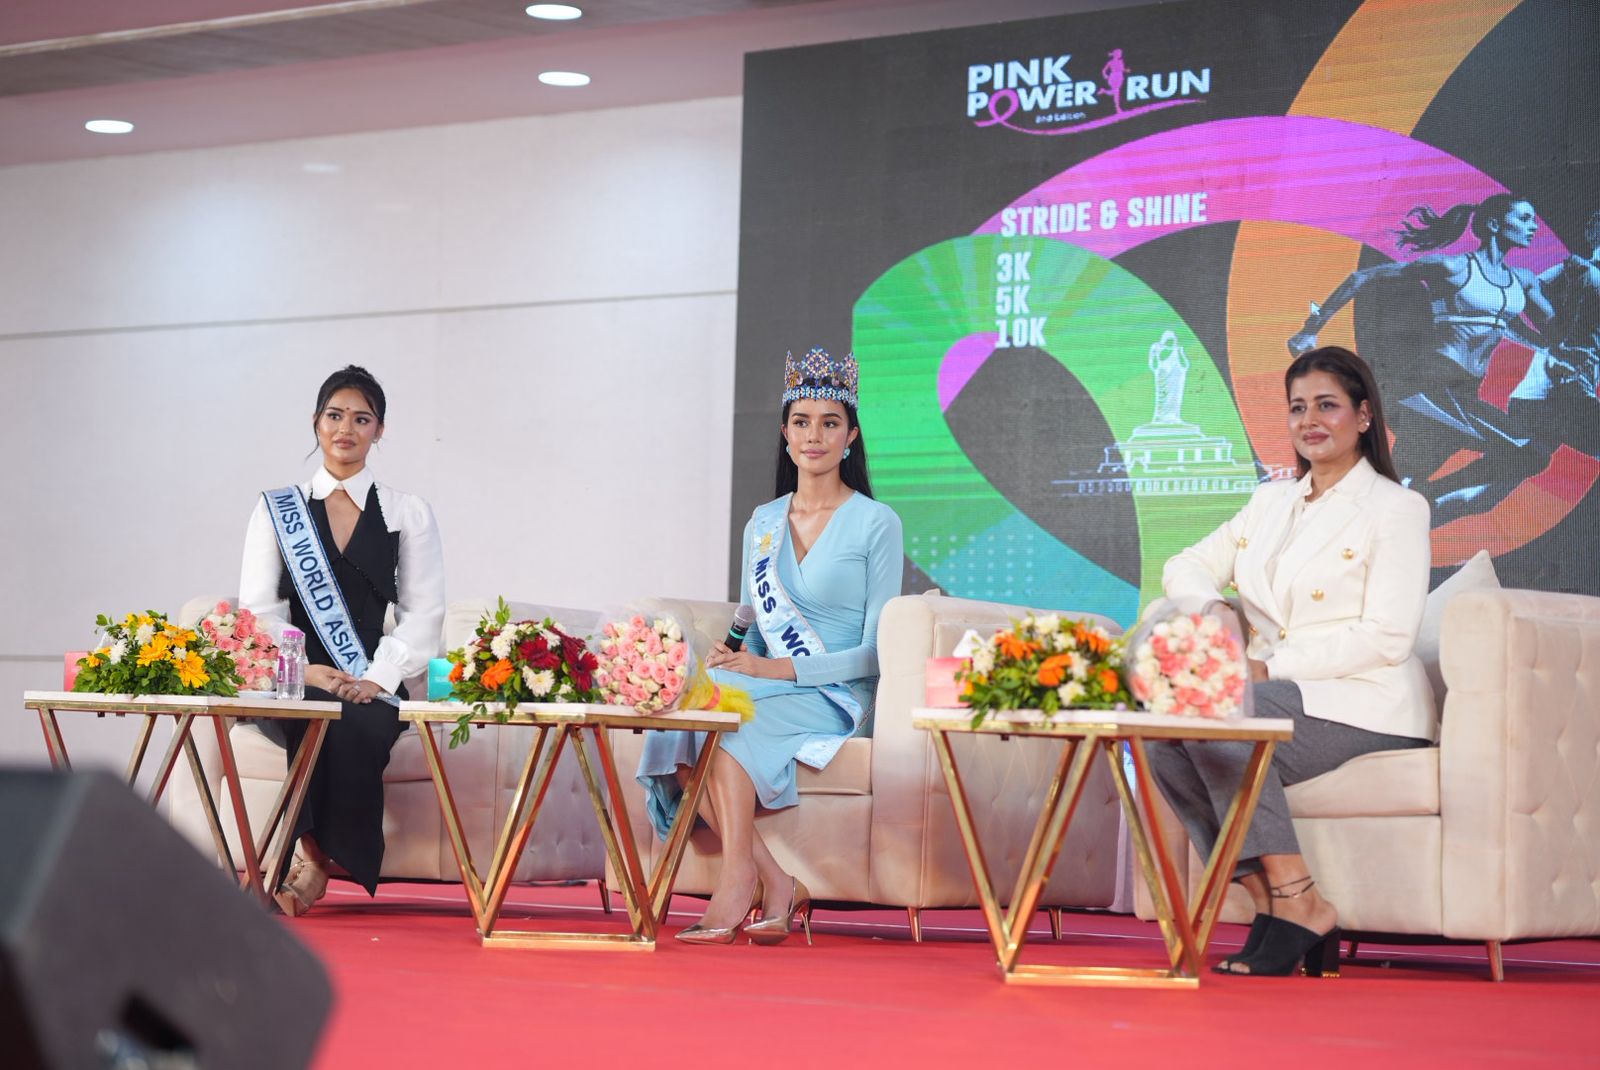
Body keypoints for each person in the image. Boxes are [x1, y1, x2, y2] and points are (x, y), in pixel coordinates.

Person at [1149, 346, 1436, 976]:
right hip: (1274, 693)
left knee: (1224, 714)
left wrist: (1266, 669)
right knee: (1159, 733)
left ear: (1363, 416)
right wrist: (1216, 612)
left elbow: (1388, 636)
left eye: (1327, 406)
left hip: (1363, 699)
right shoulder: (1270, 501)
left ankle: (1299, 904)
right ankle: (1275, 901)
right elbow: (1184, 566)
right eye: (1298, 408)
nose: (1311, 420)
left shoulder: (1397, 508)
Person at [636, 347, 903, 946]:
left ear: (851, 436)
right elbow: (751, 625)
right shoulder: (763, 520)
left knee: (727, 713)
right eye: (802, 422)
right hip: (765, 679)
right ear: (785, 434)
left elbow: (875, 653)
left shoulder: (875, 521)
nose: (815, 436)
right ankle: (775, 881)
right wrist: (731, 658)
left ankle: (737, 881)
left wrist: (770, 668)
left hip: (836, 693)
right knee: (681, 717)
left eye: (830, 423)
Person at [239, 365, 445, 915]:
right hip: (293, 678)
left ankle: (313, 866)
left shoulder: (407, 512)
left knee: (357, 719)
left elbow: (423, 614)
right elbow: (257, 612)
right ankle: (312, 859)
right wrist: (303, 670)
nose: (345, 429)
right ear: (315, 422)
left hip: (370, 677)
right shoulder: (276, 509)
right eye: (334, 415)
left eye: (362, 418)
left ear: (380, 430)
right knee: (313, 713)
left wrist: (378, 677)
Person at [1288, 194, 1553, 518]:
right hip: (1429, 382)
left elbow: (1510, 325)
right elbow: (1363, 278)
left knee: (1405, 480)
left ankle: (1390, 511)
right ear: (1495, 224)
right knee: (1530, 453)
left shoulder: (1520, 281)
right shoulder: (1453, 266)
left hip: (1464, 389)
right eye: (1524, 219)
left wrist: (1556, 345)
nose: (1534, 227)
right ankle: (1421, 499)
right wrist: (1310, 329)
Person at [1509, 207, 1600, 458]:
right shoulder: (1583, 271)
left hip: (1554, 399)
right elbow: (1513, 299)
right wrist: (1546, 344)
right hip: (1553, 397)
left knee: (1520, 466)